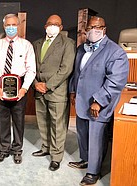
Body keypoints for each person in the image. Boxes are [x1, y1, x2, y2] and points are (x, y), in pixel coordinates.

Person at [68, 16, 129, 185]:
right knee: (83, 134)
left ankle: (93, 172)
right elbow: (77, 74)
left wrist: (99, 101)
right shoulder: (82, 49)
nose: (93, 30)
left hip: (98, 104)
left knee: (96, 137)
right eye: (90, 28)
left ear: (104, 29)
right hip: (82, 100)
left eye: (97, 27)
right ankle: (85, 160)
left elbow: (115, 81)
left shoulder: (115, 51)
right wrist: (72, 91)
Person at [0, 13, 36, 164]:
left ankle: (17, 150)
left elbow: (31, 69)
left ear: (18, 26)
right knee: (2, 120)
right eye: (8, 25)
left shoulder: (26, 45)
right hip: (1, 86)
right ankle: (3, 149)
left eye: (13, 25)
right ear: (4, 26)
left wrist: (25, 88)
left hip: (20, 86)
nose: (10, 28)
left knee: (18, 120)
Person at [31, 15, 76, 171]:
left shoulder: (68, 44)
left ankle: (56, 156)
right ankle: (46, 147)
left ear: (61, 27)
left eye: (56, 24)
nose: (52, 26)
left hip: (57, 90)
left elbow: (66, 69)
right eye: (50, 24)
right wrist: (36, 84)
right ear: (45, 26)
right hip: (38, 90)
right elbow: (31, 67)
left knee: (58, 125)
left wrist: (48, 85)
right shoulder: (36, 44)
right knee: (43, 121)